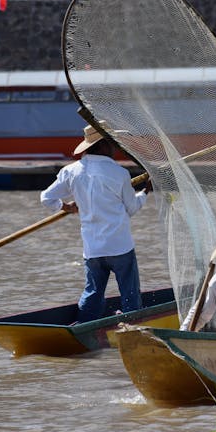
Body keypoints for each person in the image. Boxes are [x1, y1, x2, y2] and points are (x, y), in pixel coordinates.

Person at [40, 122, 152, 323]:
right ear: (102, 145)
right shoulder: (119, 173)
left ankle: (84, 325)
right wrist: (144, 193)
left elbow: (46, 198)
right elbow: (132, 207)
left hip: (92, 248)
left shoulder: (71, 171)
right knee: (130, 294)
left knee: (92, 293)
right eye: (112, 143)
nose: (115, 147)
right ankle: (132, 326)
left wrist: (66, 207)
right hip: (120, 246)